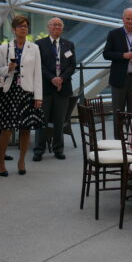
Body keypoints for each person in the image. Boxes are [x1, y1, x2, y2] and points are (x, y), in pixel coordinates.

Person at [0, 15, 43, 175]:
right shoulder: (4, 47)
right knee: (6, 129)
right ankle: (1, 162)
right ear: (14, 29)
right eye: (20, 26)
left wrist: (38, 96)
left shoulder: (34, 48)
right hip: (9, 91)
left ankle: (21, 160)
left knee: (25, 128)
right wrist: (8, 68)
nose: (23, 28)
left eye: (26, 26)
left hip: (27, 92)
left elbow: (37, 73)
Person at [102, 8, 132, 138]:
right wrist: (123, 55)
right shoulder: (114, 34)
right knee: (118, 112)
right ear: (123, 19)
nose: (130, 21)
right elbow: (106, 54)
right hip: (119, 80)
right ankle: (118, 142)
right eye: (128, 19)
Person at [32, 17, 76, 161]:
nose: (57, 27)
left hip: (63, 89)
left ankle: (58, 149)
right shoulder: (39, 44)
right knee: (41, 121)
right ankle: (39, 150)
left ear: (62, 28)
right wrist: (52, 78)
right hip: (45, 88)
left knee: (59, 121)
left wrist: (61, 78)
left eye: (59, 25)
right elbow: (39, 65)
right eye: (54, 25)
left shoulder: (69, 44)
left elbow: (72, 66)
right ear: (48, 27)